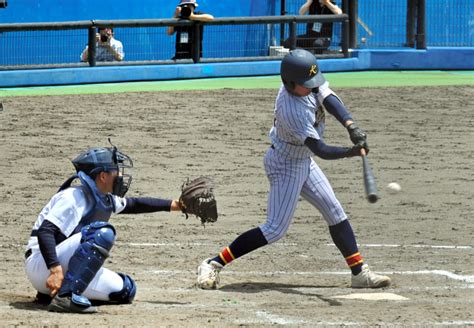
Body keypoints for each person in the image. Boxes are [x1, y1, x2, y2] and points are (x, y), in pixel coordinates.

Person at [197, 49, 391, 290]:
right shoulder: (291, 109)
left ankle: (359, 273)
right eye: (306, 84)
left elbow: (328, 97)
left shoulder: (307, 82)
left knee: (334, 211)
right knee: (275, 229)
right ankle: (213, 264)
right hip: (286, 164)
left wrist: (351, 125)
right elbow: (320, 149)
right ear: (289, 83)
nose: (312, 87)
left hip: (303, 160)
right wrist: (350, 152)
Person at [24, 143, 183, 313]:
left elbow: (134, 204)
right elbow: (45, 231)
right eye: (116, 170)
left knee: (126, 290)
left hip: (62, 267)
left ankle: (54, 293)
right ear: (102, 176)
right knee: (101, 233)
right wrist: (54, 270)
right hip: (42, 265)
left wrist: (177, 205)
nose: (121, 175)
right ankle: (66, 297)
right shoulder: (74, 196)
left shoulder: (103, 197)